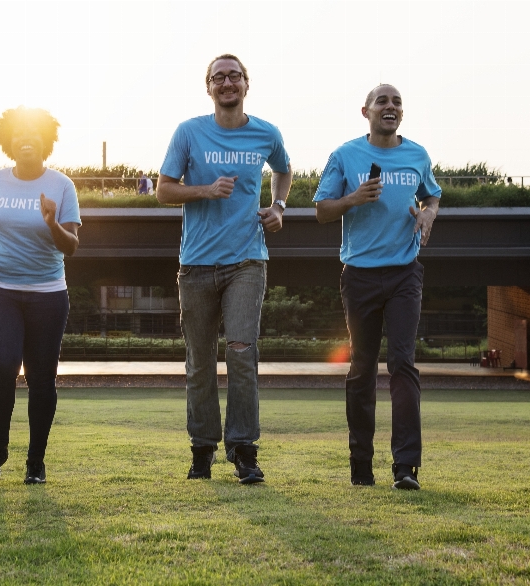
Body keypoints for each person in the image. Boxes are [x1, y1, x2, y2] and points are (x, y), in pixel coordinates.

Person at [157, 54, 292, 484]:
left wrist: (278, 206)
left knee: (241, 353)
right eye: (219, 77)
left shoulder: (266, 133)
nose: (227, 82)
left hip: (247, 261)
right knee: (199, 361)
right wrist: (205, 190)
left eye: (234, 76)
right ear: (209, 87)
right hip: (196, 264)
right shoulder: (189, 132)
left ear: (246, 84)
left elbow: (285, 171)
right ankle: (202, 450)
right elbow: (163, 190)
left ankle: (244, 450)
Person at [314, 84, 441, 490]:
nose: (391, 107)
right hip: (360, 274)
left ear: (401, 113)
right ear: (366, 111)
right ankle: (361, 465)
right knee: (363, 368)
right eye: (382, 101)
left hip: (405, 272)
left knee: (403, 364)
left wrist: (427, 215)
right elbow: (321, 210)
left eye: (397, 102)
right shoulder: (345, 155)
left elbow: (433, 197)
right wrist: (353, 199)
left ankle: (406, 467)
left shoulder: (417, 155)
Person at [0, 106, 81, 485]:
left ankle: (36, 460)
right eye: (19, 133)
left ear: (46, 141)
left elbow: (71, 247)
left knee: (41, 378)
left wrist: (51, 222)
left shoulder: (62, 186)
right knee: (2, 366)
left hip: (47, 292)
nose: (26, 139)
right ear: (9, 141)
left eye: (34, 133)